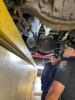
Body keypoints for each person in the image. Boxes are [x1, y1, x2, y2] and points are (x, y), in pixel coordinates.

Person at [46, 29, 75, 100]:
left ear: (73, 50)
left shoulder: (66, 63)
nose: (64, 50)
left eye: (67, 47)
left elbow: (54, 92)